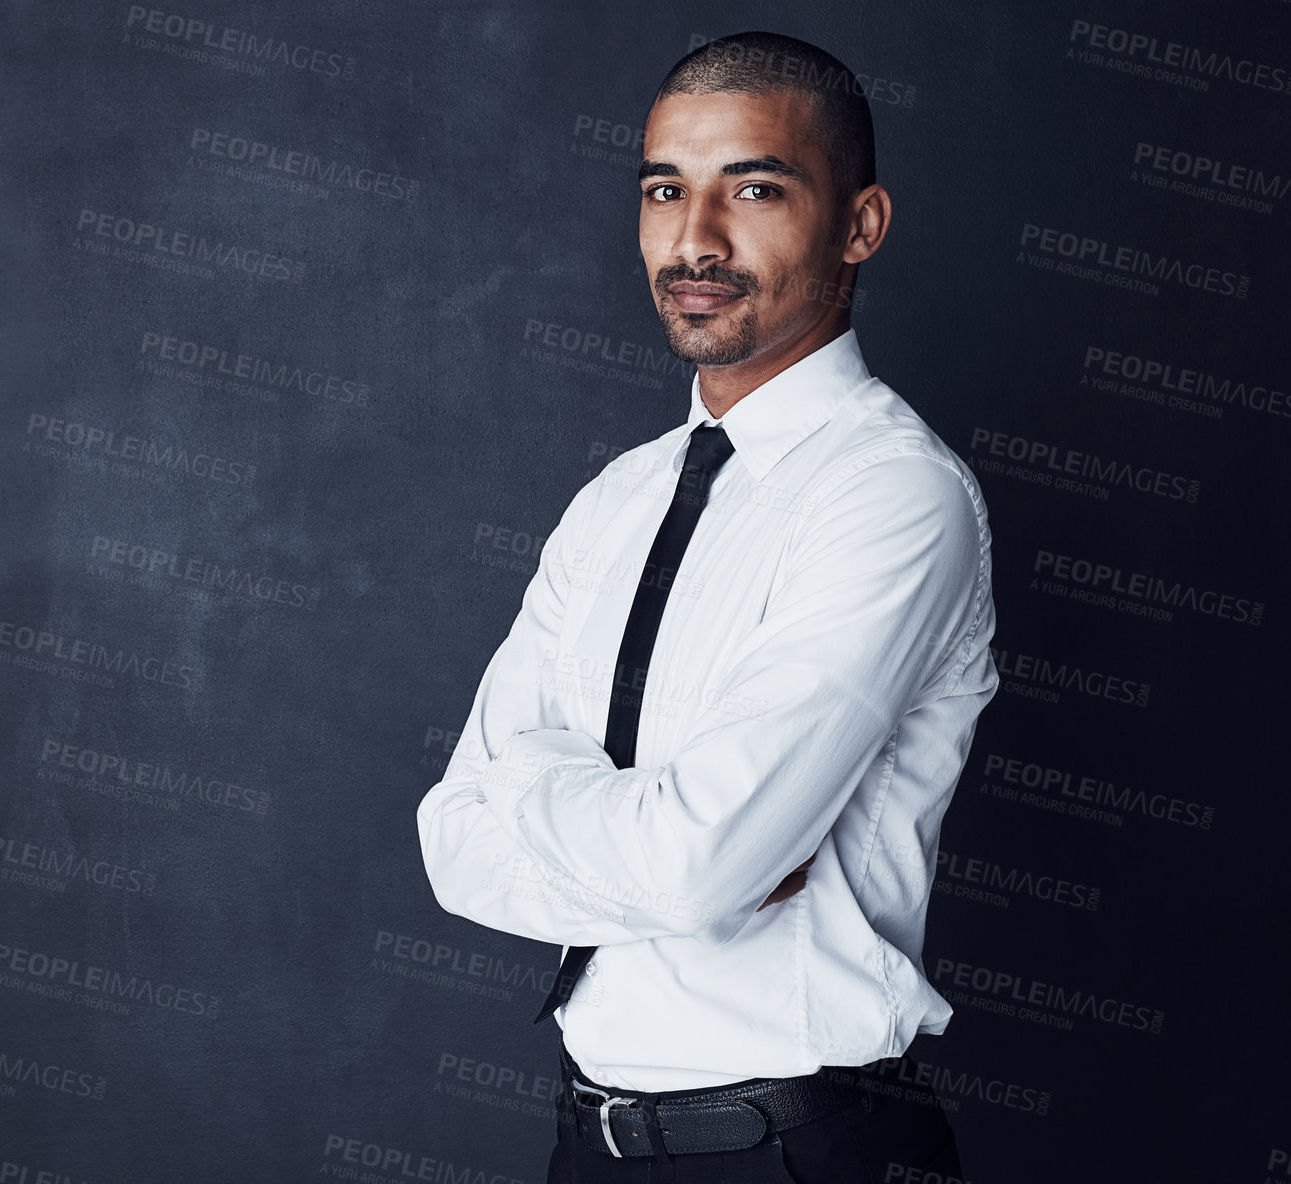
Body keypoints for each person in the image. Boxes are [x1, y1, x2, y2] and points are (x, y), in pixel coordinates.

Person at [417, 30, 997, 1183]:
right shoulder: (616, 498)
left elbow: (697, 862)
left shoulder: (895, 494)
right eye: (664, 190)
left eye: (757, 189)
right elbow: (449, 842)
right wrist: (662, 835)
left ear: (860, 224)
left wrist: (553, 796)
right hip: (589, 1146)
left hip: (796, 1150)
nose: (696, 239)